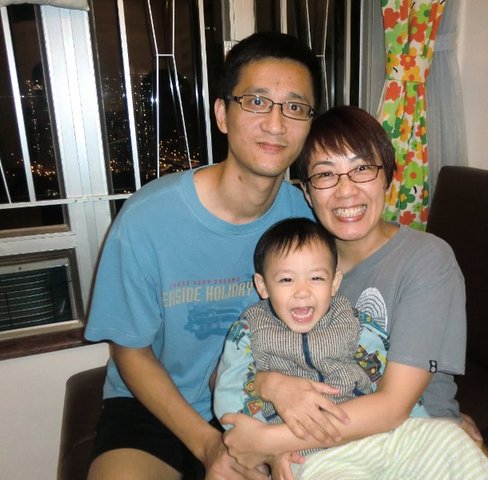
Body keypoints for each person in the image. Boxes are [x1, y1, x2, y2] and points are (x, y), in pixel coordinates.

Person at [83, 31, 321, 480]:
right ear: (222, 115)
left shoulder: (305, 220)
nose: (276, 124)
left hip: (259, 402)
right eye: (256, 102)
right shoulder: (147, 219)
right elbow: (130, 350)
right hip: (152, 406)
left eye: (295, 107)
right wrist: (208, 444)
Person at [219, 106, 488, 479]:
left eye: (363, 168)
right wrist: (271, 386)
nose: (346, 190)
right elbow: (236, 359)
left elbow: (393, 407)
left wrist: (271, 441)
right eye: (325, 174)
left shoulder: (426, 259)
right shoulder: (298, 268)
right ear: (307, 192)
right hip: (324, 452)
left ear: (388, 178)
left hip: (415, 442)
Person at [214, 217, 431, 439]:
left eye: (316, 278)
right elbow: (231, 390)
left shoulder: (352, 322)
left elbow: (383, 373)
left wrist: (420, 428)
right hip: (291, 441)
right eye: (287, 280)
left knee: (443, 437)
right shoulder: (250, 330)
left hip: (360, 432)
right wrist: (262, 443)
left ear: (334, 283)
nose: (302, 291)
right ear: (263, 286)